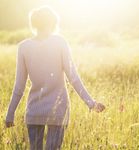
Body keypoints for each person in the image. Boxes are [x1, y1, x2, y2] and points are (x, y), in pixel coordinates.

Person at [5, 6, 105, 150]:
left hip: (34, 110)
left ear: (34, 23)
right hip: (58, 110)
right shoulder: (60, 42)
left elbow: (19, 87)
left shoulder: (24, 47)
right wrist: (91, 103)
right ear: (52, 23)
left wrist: (10, 114)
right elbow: (73, 77)